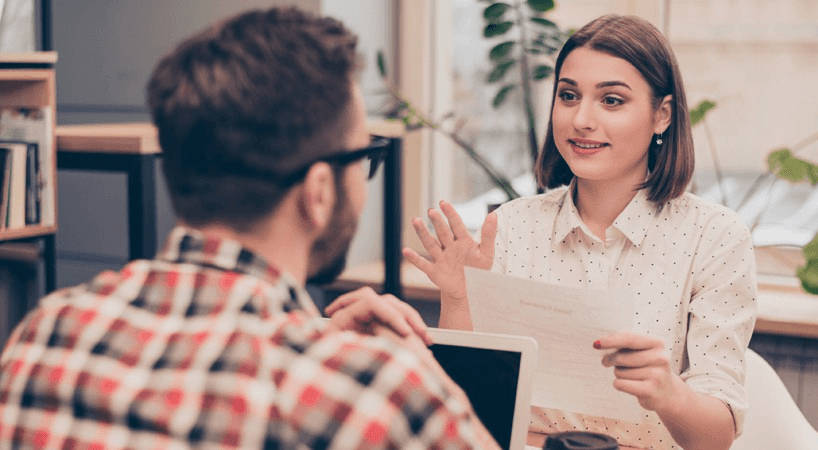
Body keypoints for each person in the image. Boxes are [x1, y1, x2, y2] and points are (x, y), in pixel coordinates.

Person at [0, 7, 499, 449]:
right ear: (319, 191)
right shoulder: (377, 396)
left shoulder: (45, 333)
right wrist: (407, 375)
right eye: (362, 158)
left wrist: (319, 347)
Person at [404, 14, 757, 450]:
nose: (581, 120)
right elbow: (466, 412)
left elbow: (715, 439)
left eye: (611, 101)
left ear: (662, 115)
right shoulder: (513, 225)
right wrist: (459, 298)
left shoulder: (716, 237)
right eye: (568, 96)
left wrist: (668, 391)